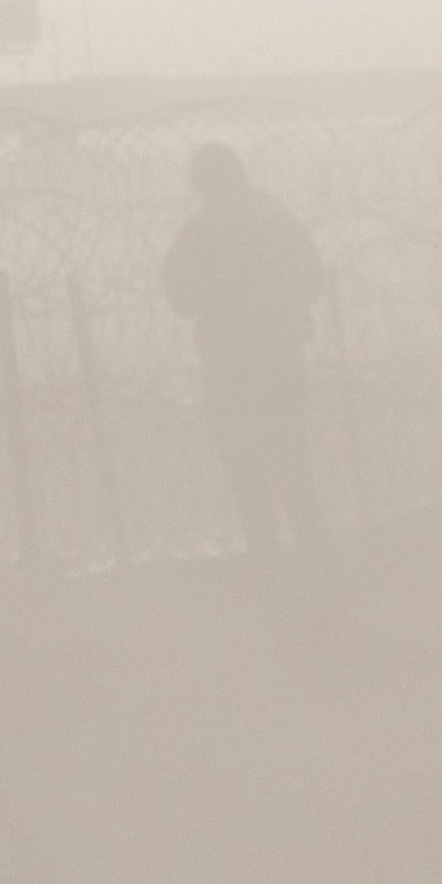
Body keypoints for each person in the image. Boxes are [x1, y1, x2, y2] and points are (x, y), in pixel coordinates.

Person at [157, 142, 333, 566]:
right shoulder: (277, 218)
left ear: (201, 182)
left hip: (229, 360)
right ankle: (314, 549)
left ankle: (267, 555)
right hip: (280, 354)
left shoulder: (201, 230)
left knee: (242, 459)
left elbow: (179, 295)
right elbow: (313, 278)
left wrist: (220, 297)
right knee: (288, 451)